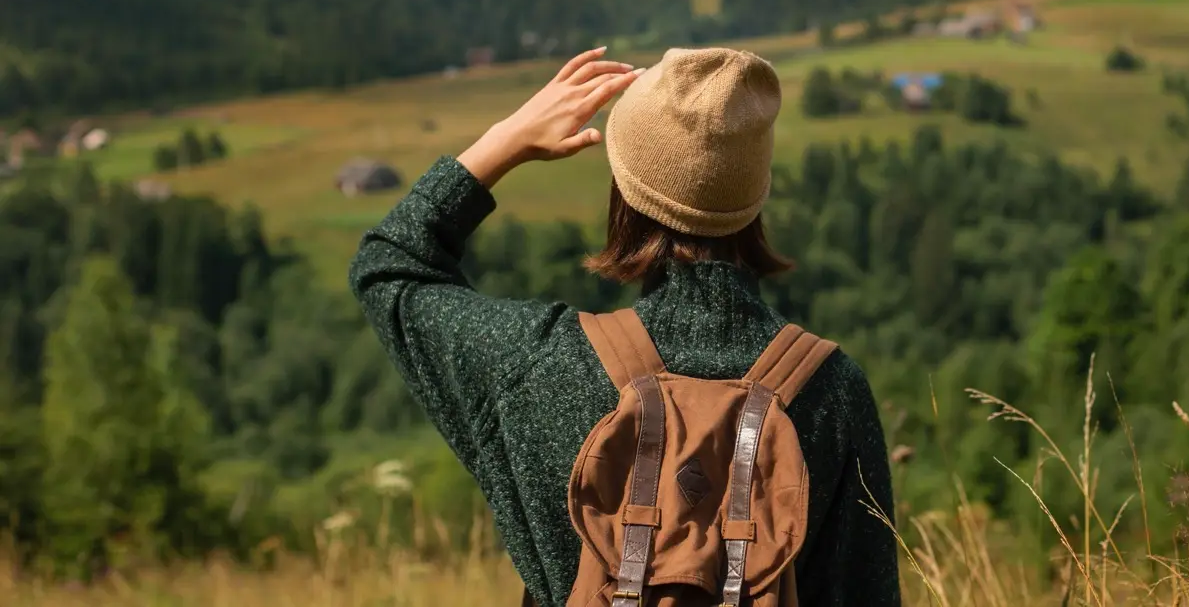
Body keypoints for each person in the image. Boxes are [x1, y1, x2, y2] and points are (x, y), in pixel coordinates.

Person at [350, 46, 901, 606]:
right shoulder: (832, 391)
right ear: (754, 197)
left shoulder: (539, 365)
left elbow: (389, 265)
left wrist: (506, 140)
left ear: (625, 190)